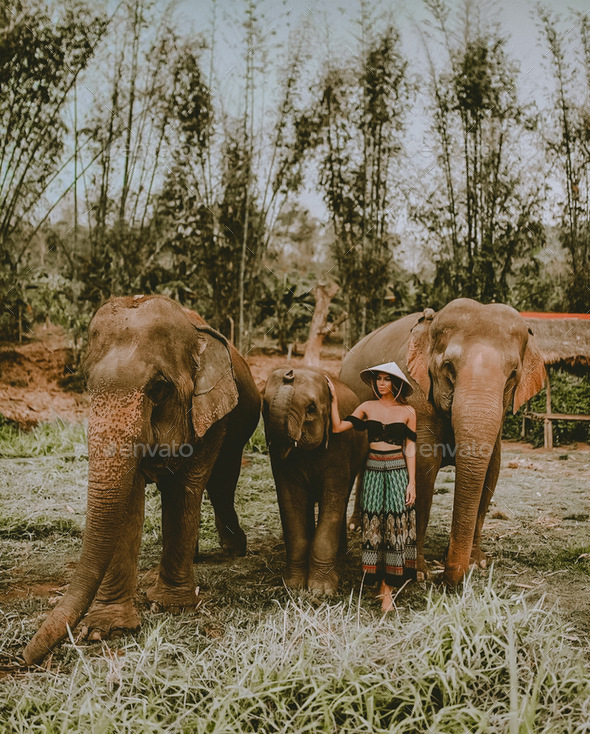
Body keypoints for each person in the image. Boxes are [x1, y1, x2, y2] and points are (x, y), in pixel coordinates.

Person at [326, 362, 417, 612]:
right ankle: (379, 582)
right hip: (373, 471)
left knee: (394, 525)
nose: (381, 383)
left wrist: (412, 482)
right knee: (374, 525)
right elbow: (337, 427)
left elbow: (410, 446)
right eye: (378, 378)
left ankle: (388, 588)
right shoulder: (367, 407)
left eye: (387, 379)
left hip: (398, 471)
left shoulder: (408, 411)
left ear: (396, 384)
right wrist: (333, 399)